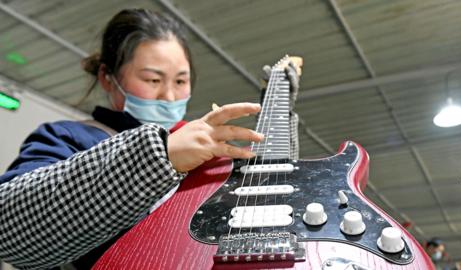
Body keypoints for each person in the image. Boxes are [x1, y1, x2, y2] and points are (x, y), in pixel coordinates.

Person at [0, 8, 266, 269]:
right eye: (152, 80)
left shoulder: (211, 154)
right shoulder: (67, 137)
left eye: (181, 81)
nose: (170, 96)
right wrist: (160, 156)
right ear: (107, 77)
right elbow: (9, 229)